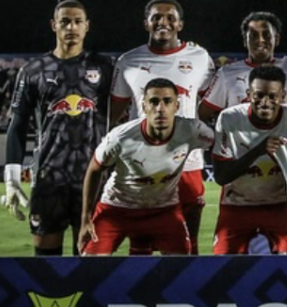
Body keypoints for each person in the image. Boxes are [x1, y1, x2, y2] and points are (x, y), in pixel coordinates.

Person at [3, 0, 114, 255]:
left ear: (87, 26)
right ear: (54, 26)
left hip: (93, 178)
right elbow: (17, 125)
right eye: (65, 21)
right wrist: (11, 178)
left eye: (77, 21)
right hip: (48, 178)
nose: (71, 27)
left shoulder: (106, 68)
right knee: (46, 265)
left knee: (89, 261)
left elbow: (122, 117)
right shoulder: (33, 71)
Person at [110, 0, 215, 253]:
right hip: (141, 165)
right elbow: (112, 114)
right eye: (156, 17)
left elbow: (213, 102)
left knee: (187, 247)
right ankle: (144, 294)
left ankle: (187, 293)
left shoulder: (200, 57)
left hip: (186, 164)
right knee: (141, 247)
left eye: (170, 17)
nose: (163, 22)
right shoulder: (128, 61)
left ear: (180, 24)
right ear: (146, 23)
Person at [79, 78, 214, 255]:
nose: (160, 109)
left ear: (176, 106)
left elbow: (221, 145)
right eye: (154, 102)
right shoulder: (121, 137)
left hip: (164, 210)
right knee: (89, 264)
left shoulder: (192, 131)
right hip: (117, 209)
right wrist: (86, 218)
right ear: (144, 106)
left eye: (167, 102)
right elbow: (94, 169)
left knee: (182, 266)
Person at [210, 66, 287, 254]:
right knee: (221, 264)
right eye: (259, 95)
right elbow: (221, 176)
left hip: (279, 206)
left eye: (272, 96)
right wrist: (258, 151)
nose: (265, 102)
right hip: (236, 205)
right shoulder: (229, 118)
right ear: (249, 94)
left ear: (283, 96)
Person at [198, 12, 287, 124]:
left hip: (281, 140)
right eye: (253, 35)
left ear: (276, 39)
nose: (260, 40)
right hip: (242, 141)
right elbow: (204, 113)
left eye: (266, 35)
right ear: (245, 41)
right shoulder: (226, 74)